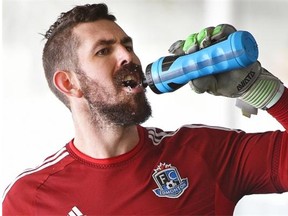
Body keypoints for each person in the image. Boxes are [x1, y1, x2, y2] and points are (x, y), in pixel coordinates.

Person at [2, 3, 287, 215]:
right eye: (104, 50)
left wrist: (261, 90)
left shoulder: (204, 154)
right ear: (69, 83)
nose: (128, 56)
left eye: (127, 45)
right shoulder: (30, 199)